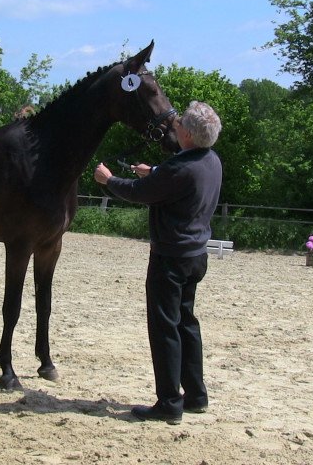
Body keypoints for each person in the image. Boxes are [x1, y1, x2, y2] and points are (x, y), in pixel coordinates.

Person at [93, 101, 222, 425]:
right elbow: (172, 180)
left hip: (171, 258)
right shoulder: (210, 161)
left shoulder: (180, 169)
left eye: (179, 126)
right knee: (186, 324)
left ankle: (168, 402)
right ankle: (195, 395)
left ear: (189, 134)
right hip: (196, 256)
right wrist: (156, 172)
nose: (174, 127)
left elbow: (138, 193)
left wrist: (109, 180)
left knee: (165, 328)